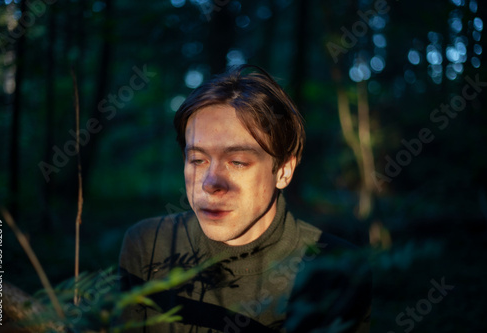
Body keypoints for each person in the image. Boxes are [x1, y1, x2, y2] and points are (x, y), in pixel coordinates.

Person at [118, 65, 371, 332]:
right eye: (198, 160)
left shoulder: (338, 271)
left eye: (237, 161)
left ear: (284, 170)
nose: (210, 183)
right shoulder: (150, 244)